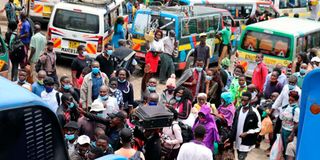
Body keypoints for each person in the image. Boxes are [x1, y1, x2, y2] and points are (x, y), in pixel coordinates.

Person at [227, 92, 261, 160]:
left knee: (241, 157)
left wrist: (247, 133)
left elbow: (258, 128)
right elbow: (234, 125)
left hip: (246, 142)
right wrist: (230, 138)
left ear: (249, 100)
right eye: (242, 99)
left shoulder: (254, 112)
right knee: (238, 154)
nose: (243, 101)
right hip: (237, 140)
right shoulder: (238, 110)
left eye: (245, 100)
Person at [270, 75, 301, 149]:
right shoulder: (285, 87)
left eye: (293, 83)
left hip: (291, 118)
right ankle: (273, 148)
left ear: (296, 83)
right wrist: (273, 109)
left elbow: (299, 105)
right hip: (283, 114)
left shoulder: (299, 91)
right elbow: (279, 99)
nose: (291, 84)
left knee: (286, 138)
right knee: (276, 131)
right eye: (290, 82)